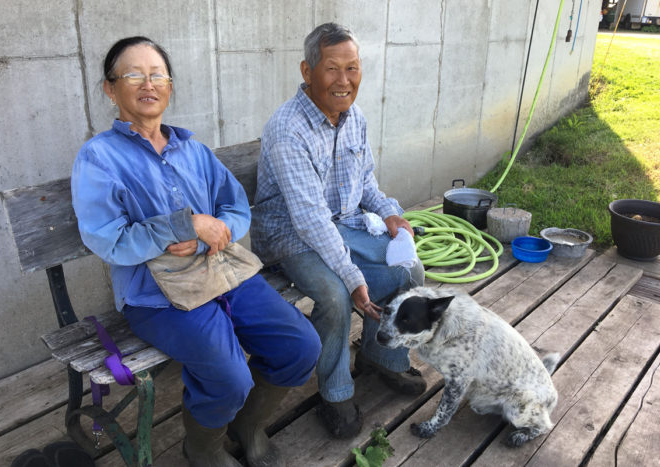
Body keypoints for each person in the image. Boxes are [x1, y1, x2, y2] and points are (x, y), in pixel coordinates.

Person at [71, 36, 321, 467]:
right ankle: (202, 447)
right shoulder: (99, 158)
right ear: (111, 89)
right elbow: (106, 239)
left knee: (300, 346)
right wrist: (180, 226)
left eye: (158, 75)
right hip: (154, 296)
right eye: (134, 74)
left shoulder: (193, 150)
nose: (148, 83)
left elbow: (235, 207)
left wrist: (217, 231)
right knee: (228, 377)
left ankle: (247, 424)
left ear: (169, 86)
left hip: (221, 271)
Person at [251, 23, 426, 439]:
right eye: (332, 69)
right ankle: (335, 390)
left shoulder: (355, 118)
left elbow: (365, 182)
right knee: (334, 294)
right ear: (307, 71)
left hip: (342, 228)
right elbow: (309, 218)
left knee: (409, 273)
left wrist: (390, 215)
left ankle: (378, 355)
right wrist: (352, 277)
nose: (344, 80)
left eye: (353, 68)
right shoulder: (288, 128)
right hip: (289, 237)